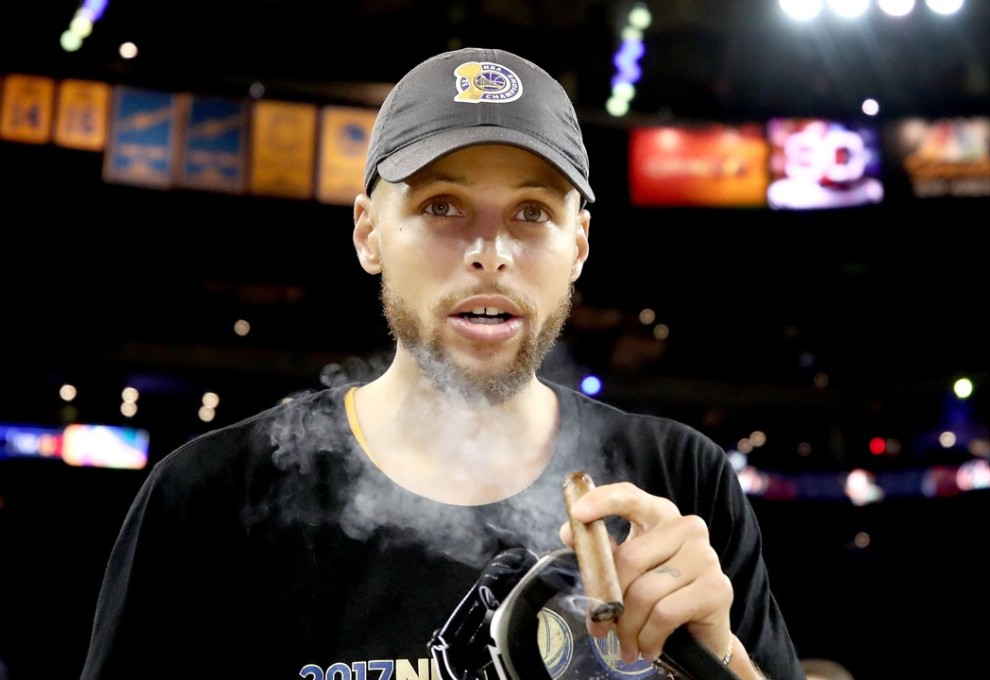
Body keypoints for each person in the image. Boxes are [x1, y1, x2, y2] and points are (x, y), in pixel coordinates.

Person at [78, 47, 804, 680]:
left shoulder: (681, 485)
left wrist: (720, 662)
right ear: (369, 234)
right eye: (441, 206)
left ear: (578, 247)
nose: (491, 250)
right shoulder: (208, 499)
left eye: (531, 212)